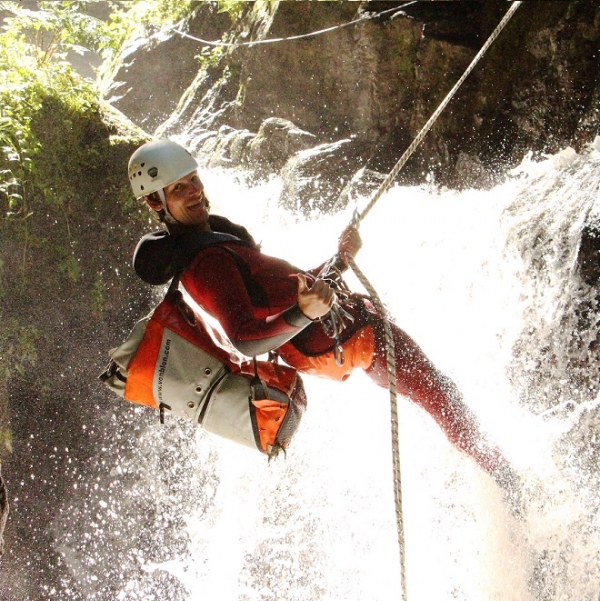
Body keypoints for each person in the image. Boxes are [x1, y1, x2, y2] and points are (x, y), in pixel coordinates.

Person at [128, 139, 518, 492]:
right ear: (155, 202)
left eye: (194, 180)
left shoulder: (206, 243)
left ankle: (500, 476)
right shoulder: (207, 261)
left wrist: (339, 261)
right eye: (179, 188)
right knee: (441, 396)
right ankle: (510, 482)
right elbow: (245, 338)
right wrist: (301, 313)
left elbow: (286, 291)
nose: (195, 192)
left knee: (437, 395)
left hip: (331, 338)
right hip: (342, 337)